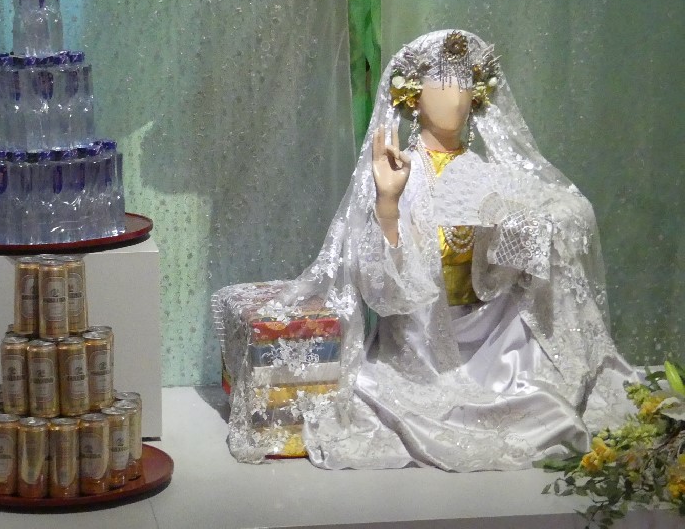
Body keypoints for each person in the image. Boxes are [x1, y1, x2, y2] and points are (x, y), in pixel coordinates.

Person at [214, 29, 638, 469]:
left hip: (492, 336)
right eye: (442, 82)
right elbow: (380, 290)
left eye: (466, 82)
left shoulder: (491, 174)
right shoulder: (399, 172)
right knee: (417, 400)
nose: (456, 95)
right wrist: (388, 203)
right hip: (422, 341)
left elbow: (538, 241)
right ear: (413, 95)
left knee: (547, 390)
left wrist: (537, 226)